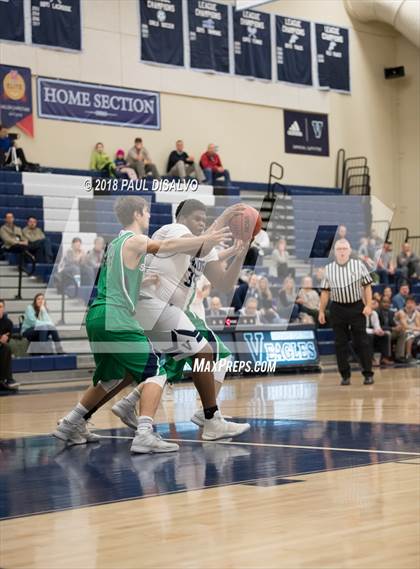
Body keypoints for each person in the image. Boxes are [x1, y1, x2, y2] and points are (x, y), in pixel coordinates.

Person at [54, 196, 248, 449]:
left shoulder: (116, 244)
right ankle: (163, 428)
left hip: (103, 313)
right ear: (138, 213)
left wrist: (231, 251)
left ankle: (73, 421)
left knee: (116, 376)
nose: (148, 216)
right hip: (133, 311)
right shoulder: (163, 233)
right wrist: (222, 221)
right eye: (146, 212)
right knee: (177, 363)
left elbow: (204, 262)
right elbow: (169, 246)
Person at [110, 199, 250, 434]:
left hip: (168, 311)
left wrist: (241, 252)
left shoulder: (203, 245)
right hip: (153, 305)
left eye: (205, 220)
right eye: (197, 218)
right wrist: (225, 217)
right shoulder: (176, 230)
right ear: (182, 218)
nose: (202, 223)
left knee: (165, 365)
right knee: (208, 353)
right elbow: (203, 248)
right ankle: (210, 417)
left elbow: (224, 283)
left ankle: (121, 406)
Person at [319, 238, 375, 386]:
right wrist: (321, 311)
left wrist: (368, 305)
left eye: (344, 249)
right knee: (340, 344)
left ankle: (368, 374)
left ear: (350, 251)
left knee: (362, 341)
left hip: (356, 307)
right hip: (337, 308)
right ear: (335, 252)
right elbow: (325, 292)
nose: (342, 252)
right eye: (339, 249)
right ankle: (345, 375)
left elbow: (367, 286)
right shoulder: (329, 269)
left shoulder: (359, 265)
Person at [377, 297, 406, 362]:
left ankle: (399, 356)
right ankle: (386, 357)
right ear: (380, 303)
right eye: (384, 302)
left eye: (388, 302)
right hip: (379, 333)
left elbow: (393, 323)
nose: (386, 304)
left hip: (389, 332)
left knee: (402, 332)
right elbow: (377, 326)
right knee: (387, 334)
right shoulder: (376, 312)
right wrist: (392, 328)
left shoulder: (391, 313)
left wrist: (398, 327)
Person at [366, 299, 393, 366]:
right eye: (372, 303)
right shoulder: (361, 313)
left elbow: (377, 326)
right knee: (369, 336)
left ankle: (384, 358)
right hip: (360, 334)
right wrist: (373, 331)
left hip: (372, 333)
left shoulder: (374, 313)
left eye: (375, 303)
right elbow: (360, 328)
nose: (374, 305)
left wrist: (380, 331)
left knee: (385, 335)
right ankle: (370, 359)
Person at [0, 300, 19, 392]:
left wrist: (5, 339)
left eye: (0, 307)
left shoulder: (8, 323)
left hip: (1, 346)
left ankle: (7, 379)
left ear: (3, 309)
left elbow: (8, 336)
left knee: (6, 348)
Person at [395, 296, 420, 361]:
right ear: (405, 304)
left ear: (415, 304)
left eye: (412, 303)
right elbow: (405, 326)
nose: (410, 305)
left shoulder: (417, 313)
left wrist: (415, 328)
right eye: (408, 303)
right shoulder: (401, 312)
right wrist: (415, 328)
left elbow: (418, 326)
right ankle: (408, 355)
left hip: (410, 330)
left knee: (412, 333)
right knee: (410, 334)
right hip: (400, 331)